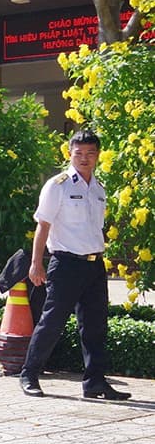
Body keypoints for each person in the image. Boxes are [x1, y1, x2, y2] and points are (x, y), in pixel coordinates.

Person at [19, 129, 131, 400]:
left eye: (90, 153)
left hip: (94, 265)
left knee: (95, 326)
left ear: (97, 155)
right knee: (52, 322)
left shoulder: (99, 188)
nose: (84, 158)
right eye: (78, 153)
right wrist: (36, 263)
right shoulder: (58, 185)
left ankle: (95, 382)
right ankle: (29, 374)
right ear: (69, 154)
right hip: (66, 263)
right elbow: (43, 226)